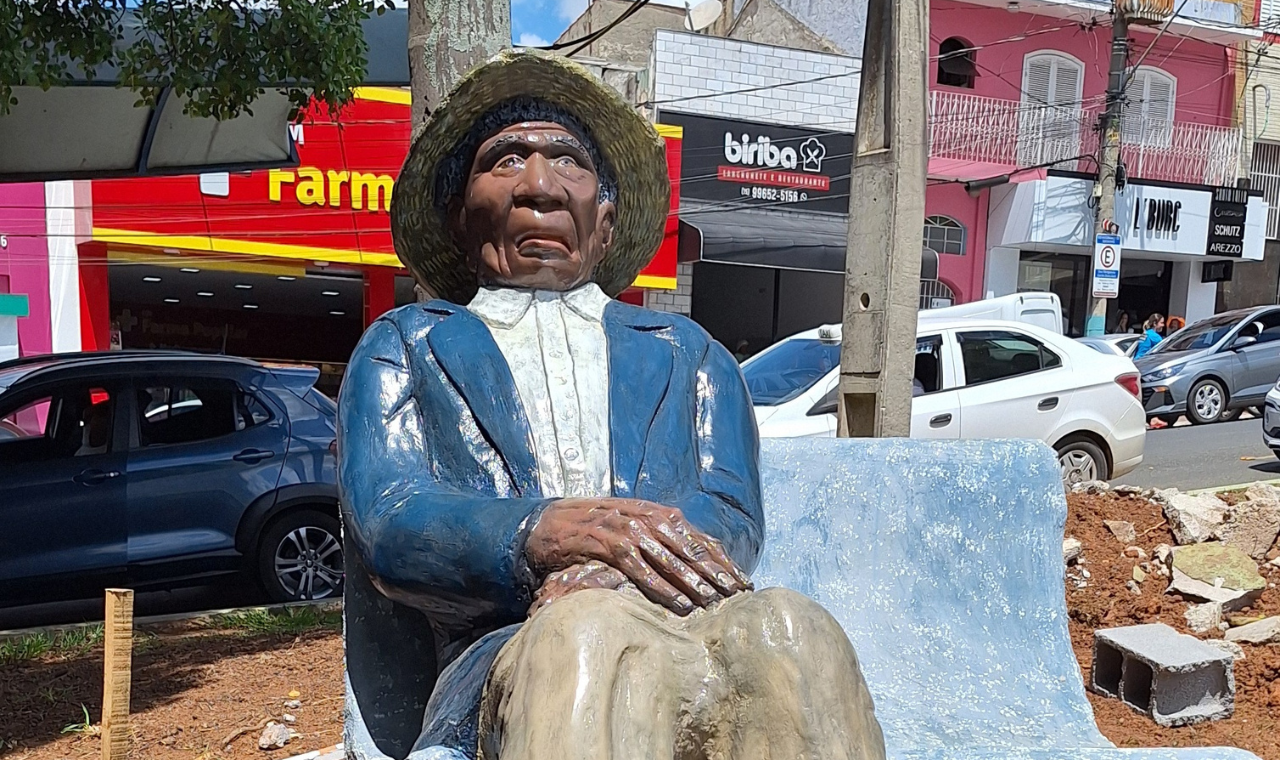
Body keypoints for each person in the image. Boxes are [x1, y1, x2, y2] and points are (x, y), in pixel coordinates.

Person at [339, 51, 885, 760]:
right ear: (457, 219)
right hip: (518, 647)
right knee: (587, 632)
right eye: (504, 161)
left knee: (791, 629)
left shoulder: (690, 354)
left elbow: (731, 510)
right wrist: (541, 534)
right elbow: (392, 517)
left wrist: (619, 560)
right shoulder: (408, 345)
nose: (538, 186)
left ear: (604, 218)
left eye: (567, 161)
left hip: (694, 625)